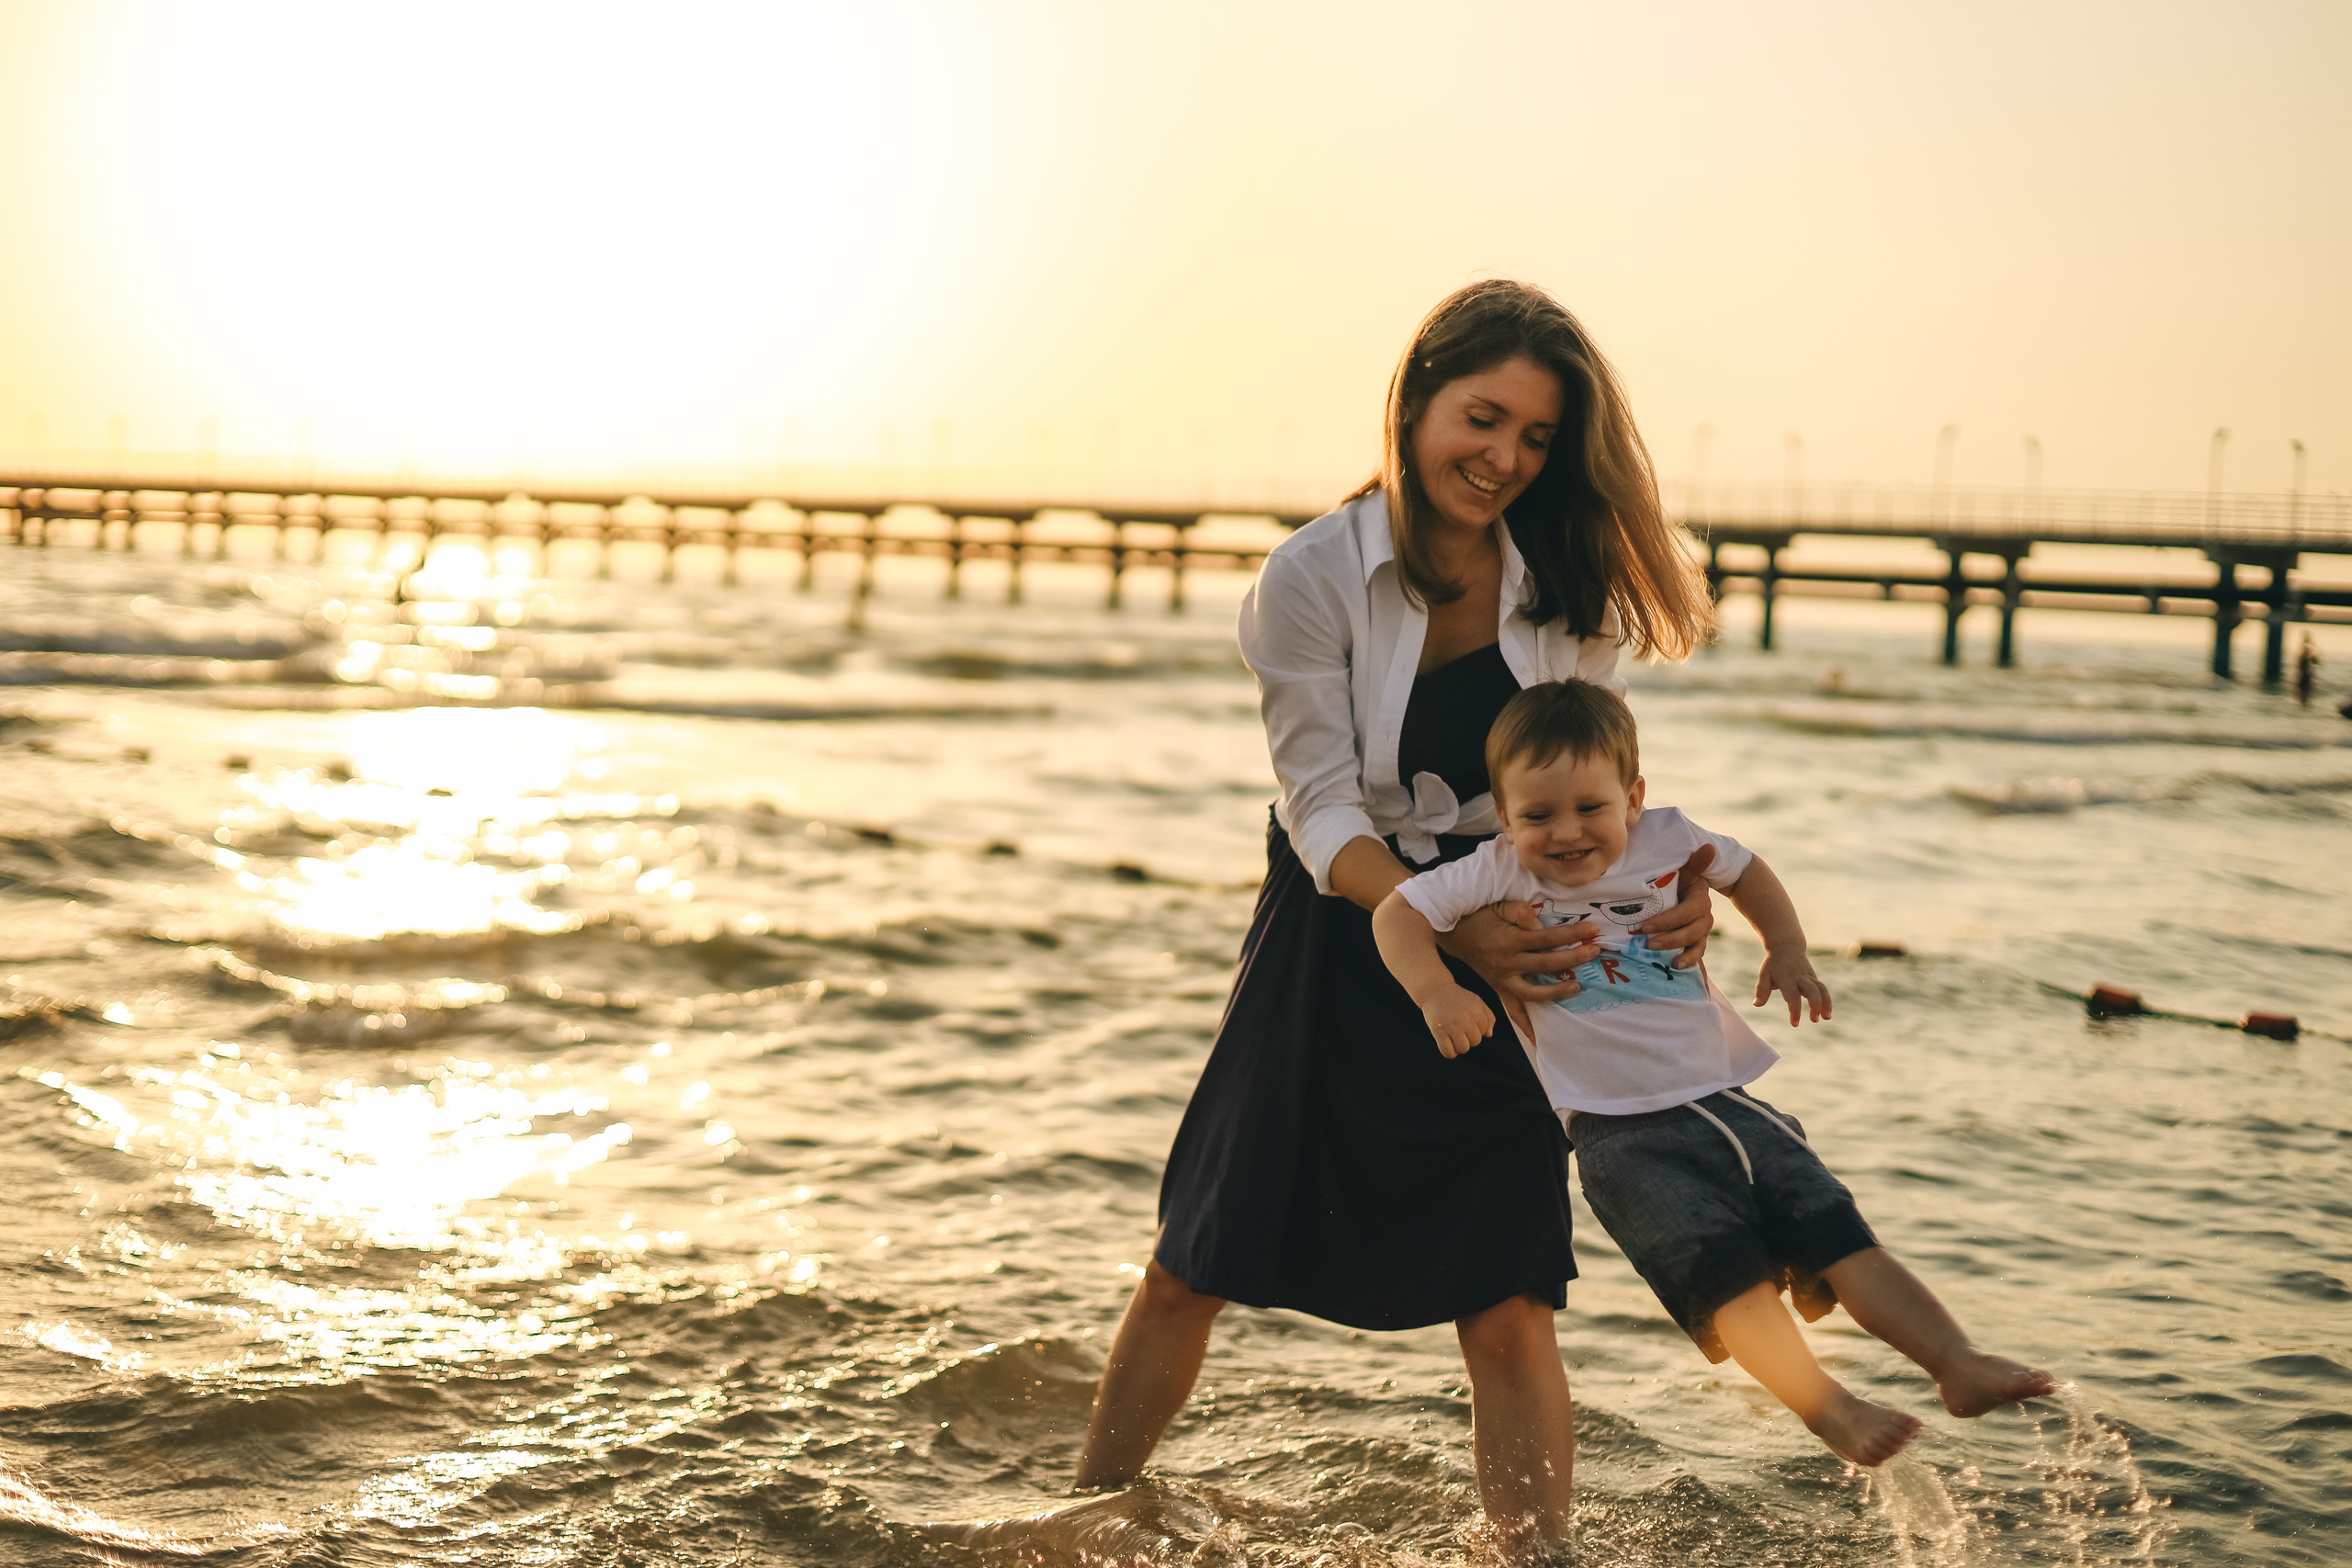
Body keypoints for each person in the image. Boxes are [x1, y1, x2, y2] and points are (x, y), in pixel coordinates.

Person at [1072, 280, 1717, 1563]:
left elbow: (1583, 787)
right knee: (1197, 1253)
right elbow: (1317, 806)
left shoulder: (1569, 585)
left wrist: (1672, 883)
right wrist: (1433, 932)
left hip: (1509, 928)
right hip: (1334, 925)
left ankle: (1536, 1558)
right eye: (1483, 418)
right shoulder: (1311, 575)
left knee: (1510, 1292)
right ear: (1415, 398)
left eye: (1536, 438)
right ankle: (1081, 1515)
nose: (1505, 457)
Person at [1374, 679, 2055, 1467]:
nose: (1566, 832)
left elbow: (1747, 870)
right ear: (1503, 816)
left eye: (1591, 807)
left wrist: (1786, 946)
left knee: (1840, 1234)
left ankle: (1955, 1362)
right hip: (1618, 1139)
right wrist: (1436, 992)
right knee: (1729, 1283)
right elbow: (1397, 913)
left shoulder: (1669, 838)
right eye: (1538, 816)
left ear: (1633, 798)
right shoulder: (1495, 872)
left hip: (1726, 1102)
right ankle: (1827, 1406)